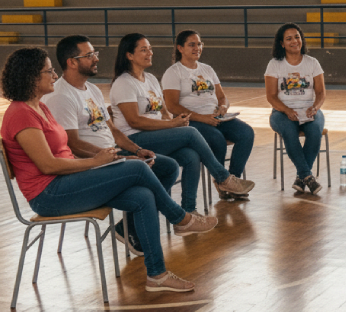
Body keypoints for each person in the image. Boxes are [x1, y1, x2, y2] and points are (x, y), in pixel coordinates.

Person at [1, 47, 217, 293]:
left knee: (142, 196)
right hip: (49, 194)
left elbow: (63, 153)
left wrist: (104, 158)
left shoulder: (40, 108)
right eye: (48, 71)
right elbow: (48, 165)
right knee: (136, 169)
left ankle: (156, 274)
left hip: (68, 180)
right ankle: (181, 218)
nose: (53, 75)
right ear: (30, 76)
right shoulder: (20, 114)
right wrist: (96, 162)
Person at [41, 34, 181, 257]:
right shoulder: (60, 96)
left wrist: (135, 150)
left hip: (111, 155)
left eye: (95, 53)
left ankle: (130, 228)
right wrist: (120, 159)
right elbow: (74, 144)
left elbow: (113, 131)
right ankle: (178, 218)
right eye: (89, 55)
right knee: (141, 175)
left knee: (167, 166)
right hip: (89, 165)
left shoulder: (93, 90)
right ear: (72, 62)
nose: (96, 58)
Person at [110, 33, 254, 213]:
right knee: (191, 133)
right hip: (135, 140)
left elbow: (162, 110)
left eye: (150, 49)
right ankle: (223, 178)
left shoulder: (151, 79)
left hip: (156, 134)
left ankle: (189, 210)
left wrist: (171, 122)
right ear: (129, 55)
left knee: (191, 156)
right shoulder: (124, 83)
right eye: (144, 50)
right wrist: (172, 125)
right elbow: (134, 120)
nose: (150, 53)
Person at [162, 30, 255, 200]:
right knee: (216, 139)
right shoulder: (173, 72)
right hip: (192, 121)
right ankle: (223, 180)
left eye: (199, 44)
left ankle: (230, 181)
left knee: (247, 133)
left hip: (216, 117)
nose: (197, 47)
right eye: (192, 44)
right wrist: (201, 118)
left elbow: (222, 97)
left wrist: (223, 107)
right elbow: (172, 106)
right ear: (180, 48)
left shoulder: (207, 69)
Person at [264, 23, 326, 194]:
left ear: (302, 40)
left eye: (297, 37)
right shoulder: (274, 64)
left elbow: (321, 93)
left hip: (308, 110)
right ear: (282, 43)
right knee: (289, 132)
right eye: (289, 38)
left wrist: (315, 107)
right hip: (282, 112)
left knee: (315, 131)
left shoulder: (312, 63)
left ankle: (301, 178)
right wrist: (286, 110)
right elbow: (271, 96)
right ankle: (307, 176)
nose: (294, 41)